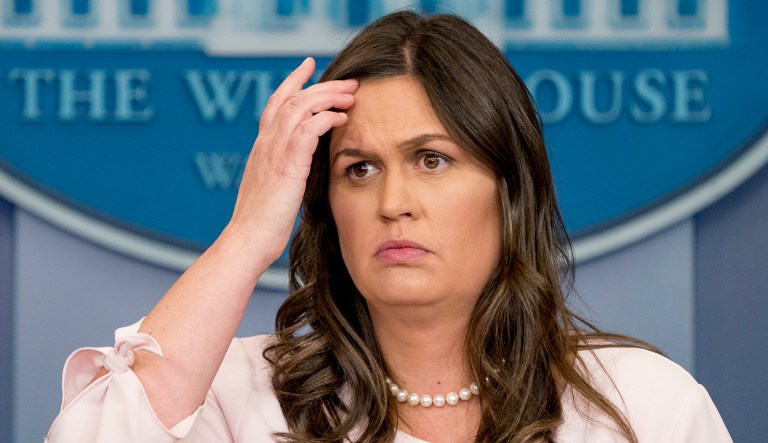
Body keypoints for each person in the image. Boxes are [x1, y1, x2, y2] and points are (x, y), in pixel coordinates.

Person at [46, 10, 731, 443]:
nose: (393, 201)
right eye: (360, 169)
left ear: (509, 190)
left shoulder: (642, 407)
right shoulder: (237, 397)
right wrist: (248, 234)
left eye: (432, 159)